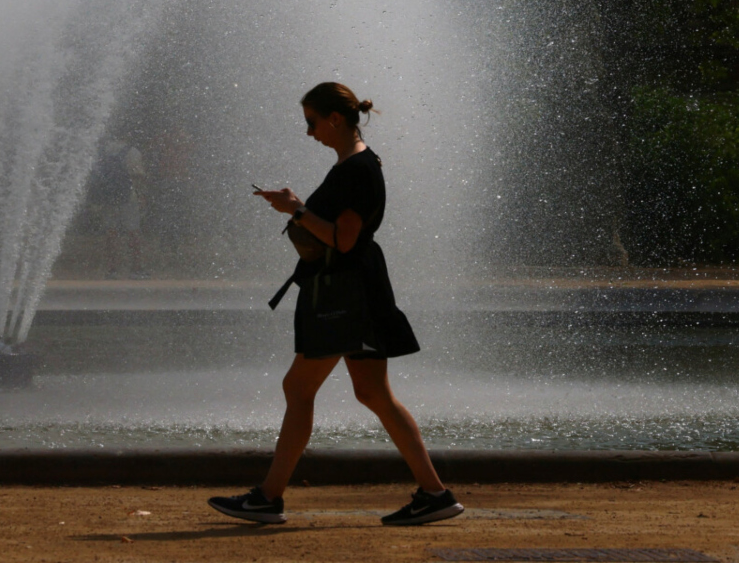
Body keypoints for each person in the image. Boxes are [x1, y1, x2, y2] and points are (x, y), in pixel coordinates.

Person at [207, 82, 463, 528]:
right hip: (351, 290)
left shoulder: (357, 168)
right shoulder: (355, 164)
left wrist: (296, 210)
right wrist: (295, 209)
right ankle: (435, 494)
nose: (309, 133)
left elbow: (344, 241)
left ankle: (268, 498)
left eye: (311, 122)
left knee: (301, 388)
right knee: (371, 393)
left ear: (335, 119)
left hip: (345, 294)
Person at [85, 137, 147, 278]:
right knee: (133, 231)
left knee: (111, 232)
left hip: (108, 197)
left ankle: (112, 269)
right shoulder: (132, 151)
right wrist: (142, 195)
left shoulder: (103, 151)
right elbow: (138, 175)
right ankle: (136, 269)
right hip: (128, 196)